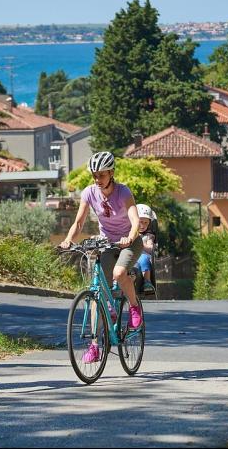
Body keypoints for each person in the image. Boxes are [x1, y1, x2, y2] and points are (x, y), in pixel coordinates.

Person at [60, 151, 143, 363]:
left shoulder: (123, 192)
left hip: (129, 243)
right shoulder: (89, 193)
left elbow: (135, 221)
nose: (97, 180)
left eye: (102, 175)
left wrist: (130, 237)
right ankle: (95, 345)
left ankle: (134, 308)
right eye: (95, 176)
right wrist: (69, 239)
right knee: (97, 293)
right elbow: (79, 223)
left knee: (119, 272)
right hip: (107, 243)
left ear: (111, 173)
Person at [134, 204, 156, 293]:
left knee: (143, 258)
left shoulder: (148, 236)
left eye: (146, 223)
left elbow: (150, 248)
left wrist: (141, 242)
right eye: (140, 222)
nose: (142, 225)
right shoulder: (129, 234)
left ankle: (147, 281)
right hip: (132, 256)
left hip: (143, 256)